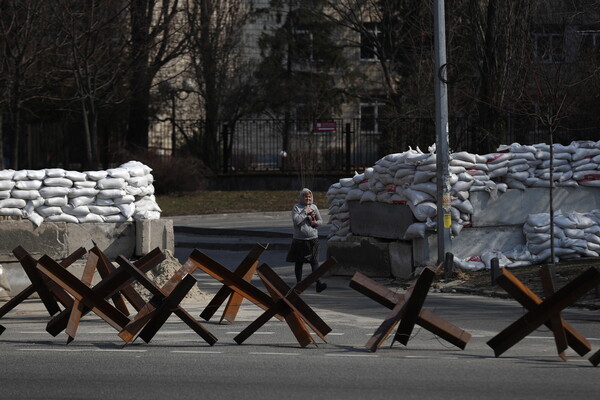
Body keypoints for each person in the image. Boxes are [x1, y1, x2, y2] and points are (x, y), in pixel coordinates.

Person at [286, 188, 327, 292]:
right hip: (299, 239)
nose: (308, 198)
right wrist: (305, 212)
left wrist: (316, 223)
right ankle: (299, 284)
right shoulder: (296, 207)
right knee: (299, 262)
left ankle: (318, 283)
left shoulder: (314, 207)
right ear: (301, 197)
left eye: (309, 196)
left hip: (313, 239)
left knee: (314, 262)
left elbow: (321, 221)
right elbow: (296, 221)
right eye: (305, 196)